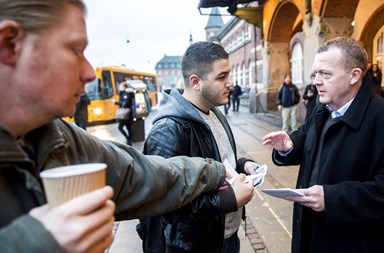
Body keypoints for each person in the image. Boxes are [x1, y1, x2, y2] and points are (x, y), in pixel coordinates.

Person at [0, 1, 229, 252]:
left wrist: (218, 170)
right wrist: (35, 243)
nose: (88, 72)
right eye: (76, 49)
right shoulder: (169, 126)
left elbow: (140, 174)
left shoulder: (56, 135)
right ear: (10, 44)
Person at [262, 37, 384, 253]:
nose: (317, 81)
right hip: (309, 234)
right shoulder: (323, 108)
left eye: (325, 74)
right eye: (315, 74)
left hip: (354, 242)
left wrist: (333, 198)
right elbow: (306, 136)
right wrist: (289, 146)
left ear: (354, 75)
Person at [137, 41, 256, 253]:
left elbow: (219, 160)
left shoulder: (215, 112)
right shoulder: (168, 130)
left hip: (225, 237)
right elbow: (167, 207)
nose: (231, 83)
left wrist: (243, 165)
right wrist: (228, 200)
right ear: (195, 82)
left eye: (229, 75)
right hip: (193, 245)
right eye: (221, 77)